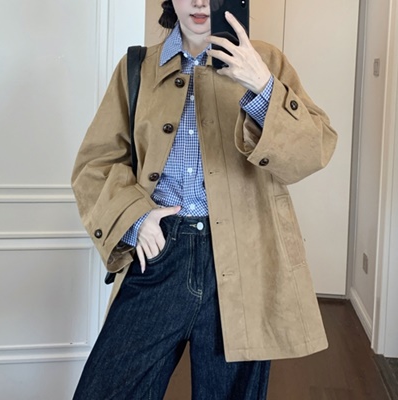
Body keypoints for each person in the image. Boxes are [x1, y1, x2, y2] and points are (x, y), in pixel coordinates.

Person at [71, 0, 337, 398]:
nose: (200, 2)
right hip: (160, 253)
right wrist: (136, 218)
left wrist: (264, 87)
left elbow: (314, 150)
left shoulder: (265, 62)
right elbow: (95, 164)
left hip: (245, 261)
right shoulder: (137, 68)